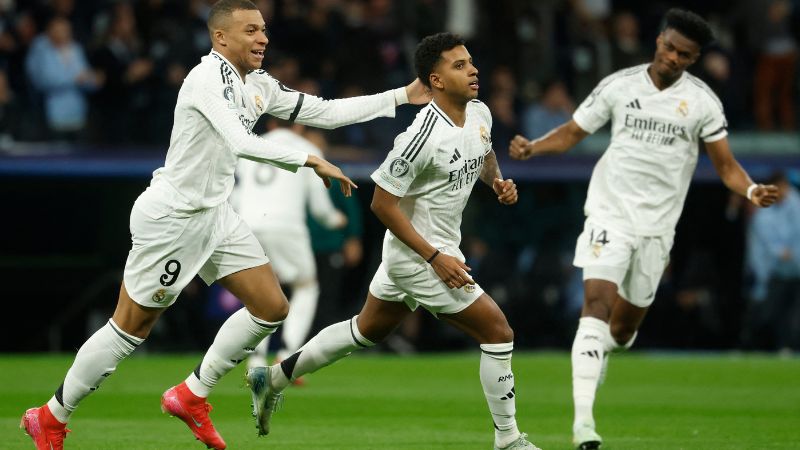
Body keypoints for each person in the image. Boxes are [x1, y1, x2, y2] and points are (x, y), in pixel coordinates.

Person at [19, 1, 429, 449]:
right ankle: (51, 416)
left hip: (215, 214)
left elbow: (322, 111)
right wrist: (307, 158)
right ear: (221, 38)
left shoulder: (258, 84)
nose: (263, 38)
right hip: (174, 218)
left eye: (264, 30)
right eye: (251, 30)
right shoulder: (203, 80)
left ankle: (192, 393)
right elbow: (239, 140)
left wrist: (401, 96)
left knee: (271, 307)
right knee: (131, 327)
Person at [246, 32, 540, 450]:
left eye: (470, 62)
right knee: (498, 331)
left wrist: (496, 182)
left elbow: (484, 150)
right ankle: (508, 439)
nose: (473, 70)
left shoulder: (479, 112)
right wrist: (434, 256)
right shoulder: (419, 137)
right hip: (418, 254)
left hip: (434, 249)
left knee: (364, 331)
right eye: (459, 65)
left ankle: (272, 378)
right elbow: (382, 205)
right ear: (435, 80)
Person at [508, 9, 779, 450]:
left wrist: (750, 191)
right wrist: (534, 147)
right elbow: (575, 132)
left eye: (684, 54)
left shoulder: (703, 103)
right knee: (595, 304)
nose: (673, 57)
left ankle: (606, 351)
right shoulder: (619, 85)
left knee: (622, 331)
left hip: (657, 230)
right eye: (669, 47)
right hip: (609, 213)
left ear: (692, 60)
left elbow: (725, 166)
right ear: (658, 41)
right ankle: (583, 426)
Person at [231, 117, 347, 373]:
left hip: (248, 225)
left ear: (271, 124)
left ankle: (256, 359)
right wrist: (335, 220)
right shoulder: (309, 150)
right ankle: (286, 354)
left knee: (258, 293)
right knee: (305, 287)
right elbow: (320, 209)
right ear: (299, 126)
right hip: (287, 227)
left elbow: (234, 194)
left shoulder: (249, 146)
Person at [745, 171, 800, 352]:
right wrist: (779, 251)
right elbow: (767, 243)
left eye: (783, 187)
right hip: (775, 272)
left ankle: (788, 347)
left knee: (794, 314)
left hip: (797, 270)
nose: (781, 192)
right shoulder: (763, 212)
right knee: (769, 313)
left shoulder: (796, 204)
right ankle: (756, 347)